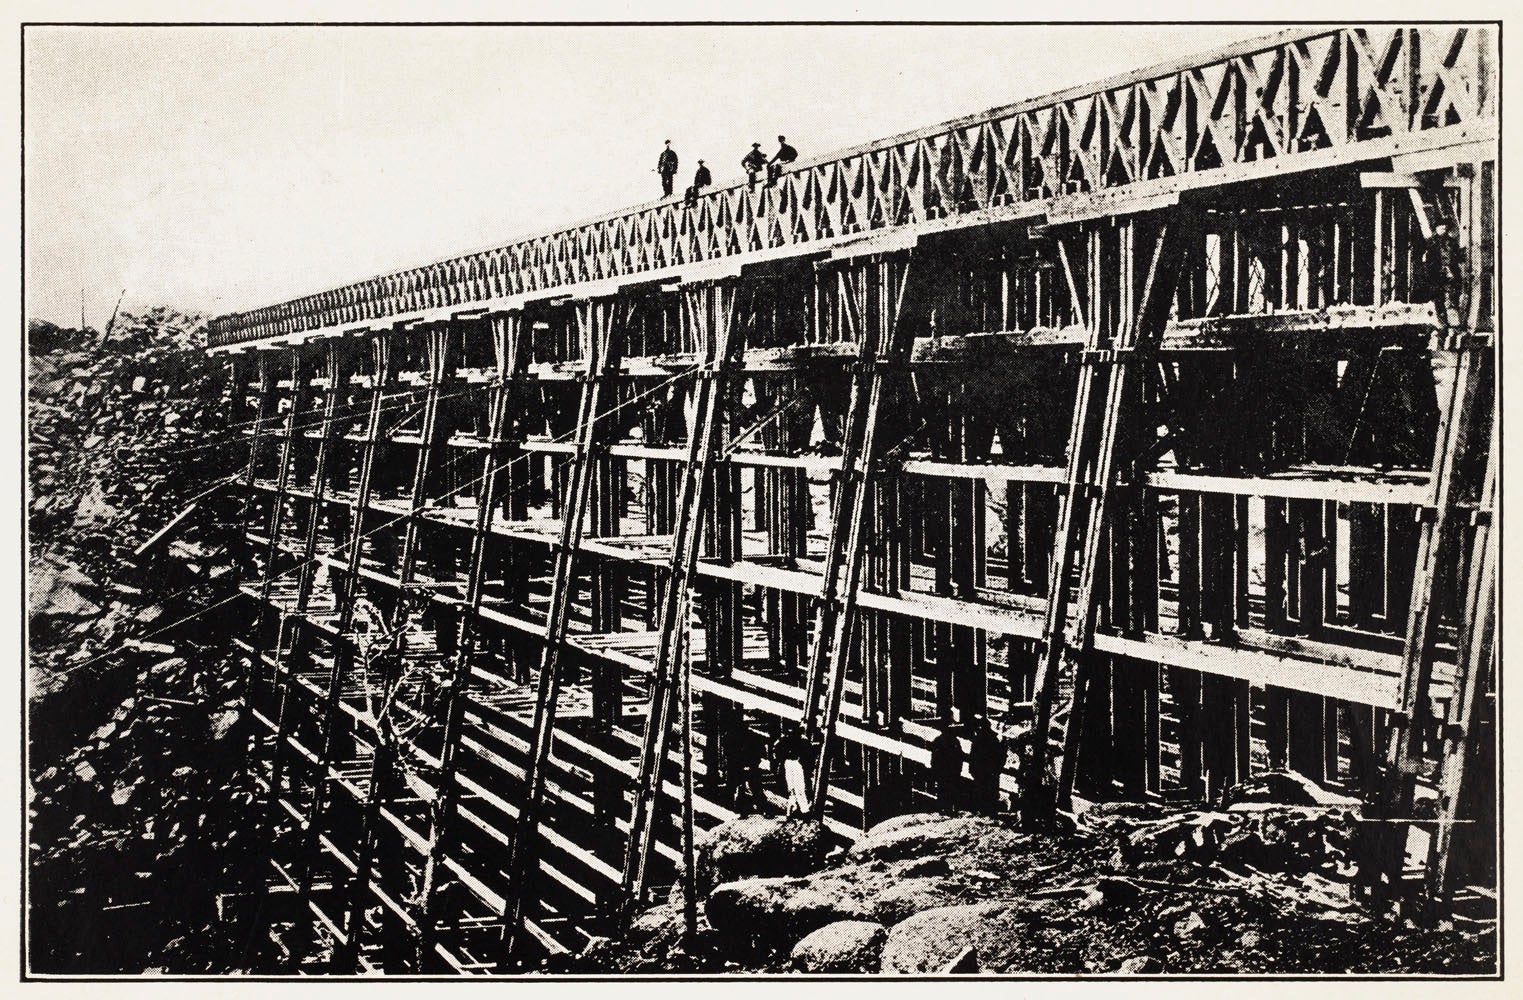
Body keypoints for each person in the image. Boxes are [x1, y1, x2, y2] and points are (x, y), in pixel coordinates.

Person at [1416, 219, 1465, 328]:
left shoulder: (1452, 242)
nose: (1444, 230)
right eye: (1441, 228)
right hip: (1435, 275)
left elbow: (1457, 258)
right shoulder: (1430, 243)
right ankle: (1443, 323)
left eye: (1445, 228)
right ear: (1436, 229)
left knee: (1451, 297)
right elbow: (1425, 260)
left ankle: (1452, 322)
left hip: (1450, 275)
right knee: (1438, 299)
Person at [967, 715, 1007, 816]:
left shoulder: (978, 740)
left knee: (983, 792)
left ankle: (984, 812)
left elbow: (973, 757)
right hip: (990, 772)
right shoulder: (994, 740)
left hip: (983, 771)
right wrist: (998, 769)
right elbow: (1001, 756)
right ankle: (990, 812)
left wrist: (972, 769)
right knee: (990, 792)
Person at [927, 714, 964, 814]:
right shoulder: (954, 741)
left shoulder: (939, 741)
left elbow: (934, 758)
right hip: (950, 771)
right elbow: (959, 757)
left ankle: (944, 809)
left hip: (944, 771)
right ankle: (950, 809)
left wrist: (934, 769)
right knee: (950, 790)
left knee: (944, 790)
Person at [770, 724, 811, 815]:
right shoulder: (785, 739)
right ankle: (795, 807)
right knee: (792, 787)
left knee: (799, 787)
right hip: (789, 763)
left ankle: (802, 809)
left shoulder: (801, 740)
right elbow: (775, 750)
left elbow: (808, 754)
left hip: (797, 763)